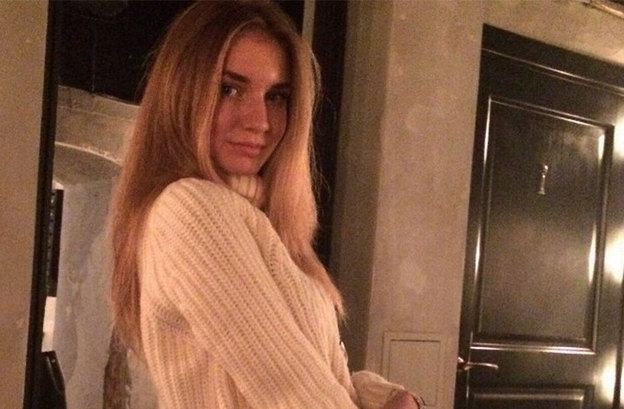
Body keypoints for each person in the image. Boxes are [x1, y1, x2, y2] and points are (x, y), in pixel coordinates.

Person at [110, 1, 422, 408]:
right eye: (229, 89)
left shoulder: (255, 217)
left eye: (276, 96)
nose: (259, 120)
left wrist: (392, 397)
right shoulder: (190, 210)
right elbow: (296, 393)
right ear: (182, 94)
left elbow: (319, 377)